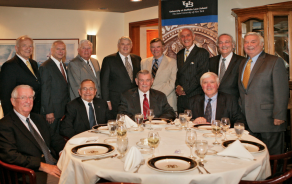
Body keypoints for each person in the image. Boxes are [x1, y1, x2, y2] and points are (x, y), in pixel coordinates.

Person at [0, 85, 65, 184]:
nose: (28, 101)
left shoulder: (39, 118)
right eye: (23, 97)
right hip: (31, 173)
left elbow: (55, 138)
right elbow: (11, 155)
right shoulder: (5, 125)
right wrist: (41, 165)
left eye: (30, 97)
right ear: (13, 101)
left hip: (55, 164)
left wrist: (62, 154)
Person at [238, 32, 289, 155]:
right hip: (248, 121)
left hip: (269, 121)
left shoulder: (274, 61)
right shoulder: (242, 63)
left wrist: (280, 115)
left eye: (253, 42)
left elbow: (282, 90)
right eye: (246, 42)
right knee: (254, 157)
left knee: (273, 157)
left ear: (262, 45)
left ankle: (277, 175)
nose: (249, 45)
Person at [101, 36, 141, 117]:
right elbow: (104, 82)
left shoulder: (137, 59)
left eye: (128, 44)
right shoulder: (109, 60)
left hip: (134, 100)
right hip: (116, 101)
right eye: (123, 44)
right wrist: (107, 101)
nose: (125, 46)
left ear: (131, 46)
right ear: (118, 46)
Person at [0, 35, 41, 115]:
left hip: (34, 111)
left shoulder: (34, 63)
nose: (28, 48)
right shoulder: (9, 66)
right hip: (19, 112)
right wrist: (10, 118)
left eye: (30, 46)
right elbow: (5, 95)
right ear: (16, 48)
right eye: (24, 45)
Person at [175, 28, 209, 113]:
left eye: (188, 35)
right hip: (181, 99)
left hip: (195, 96)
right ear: (180, 39)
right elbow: (178, 73)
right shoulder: (179, 54)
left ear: (193, 37)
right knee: (181, 124)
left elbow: (201, 75)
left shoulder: (202, 52)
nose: (185, 38)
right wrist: (177, 86)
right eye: (182, 36)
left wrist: (184, 89)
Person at [39, 41, 70, 133]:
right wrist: (48, 111)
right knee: (51, 136)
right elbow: (45, 91)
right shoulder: (45, 67)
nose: (61, 51)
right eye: (58, 49)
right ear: (52, 50)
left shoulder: (63, 65)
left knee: (59, 137)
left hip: (63, 110)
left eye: (63, 49)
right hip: (52, 112)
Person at [141, 38, 177, 111]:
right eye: (153, 47)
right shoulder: (143, 62)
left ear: (163, 48)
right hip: (148, 101)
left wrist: (156, 96)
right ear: (150, 48)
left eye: (158, 47)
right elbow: (142, 81)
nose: (155, 49)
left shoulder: (172, 62)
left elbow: (172, 83)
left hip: (166, 100)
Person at [209, 33, 245, 99]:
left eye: (227, 42)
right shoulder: (211, 61)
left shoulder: (242, 61)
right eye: (220, 42)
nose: (223, 45)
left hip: (234, 102)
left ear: (233, 45)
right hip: (215, 101)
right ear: (218, 46)